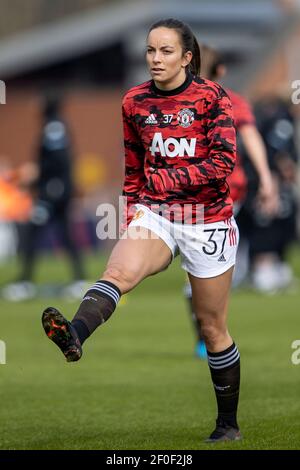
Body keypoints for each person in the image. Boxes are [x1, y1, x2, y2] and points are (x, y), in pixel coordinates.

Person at [42, 19, 241, 443]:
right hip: (158, 215)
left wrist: (173, 179)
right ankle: (74, 334)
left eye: (166, 51)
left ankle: (227, 425)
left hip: (207, 219)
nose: (156, 59)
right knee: (118, 274)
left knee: (211, 327)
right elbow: (134, 166)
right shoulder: (133, 101)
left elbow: (224, 163)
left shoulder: (212, 97)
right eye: (151, 51)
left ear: (187, 57)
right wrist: (133, 210)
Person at [183, 44, 277, 359]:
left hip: (187, 197)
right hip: (225, 196)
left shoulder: (177, 103)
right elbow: (251, 137)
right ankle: (212, 335)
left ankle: (204, 335)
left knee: (195, 270)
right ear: (221, 70)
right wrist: (266, 177)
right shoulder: (232, 100)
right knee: (211, 269)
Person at [3, 97, 85, 300]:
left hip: (52, 191)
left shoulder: (53, 127)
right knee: (65, 235)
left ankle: (24, 283)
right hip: (57, 189)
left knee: (33, 233)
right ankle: (78, 280)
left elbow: (58, 160)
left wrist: (38, 173)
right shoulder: (56, 125)